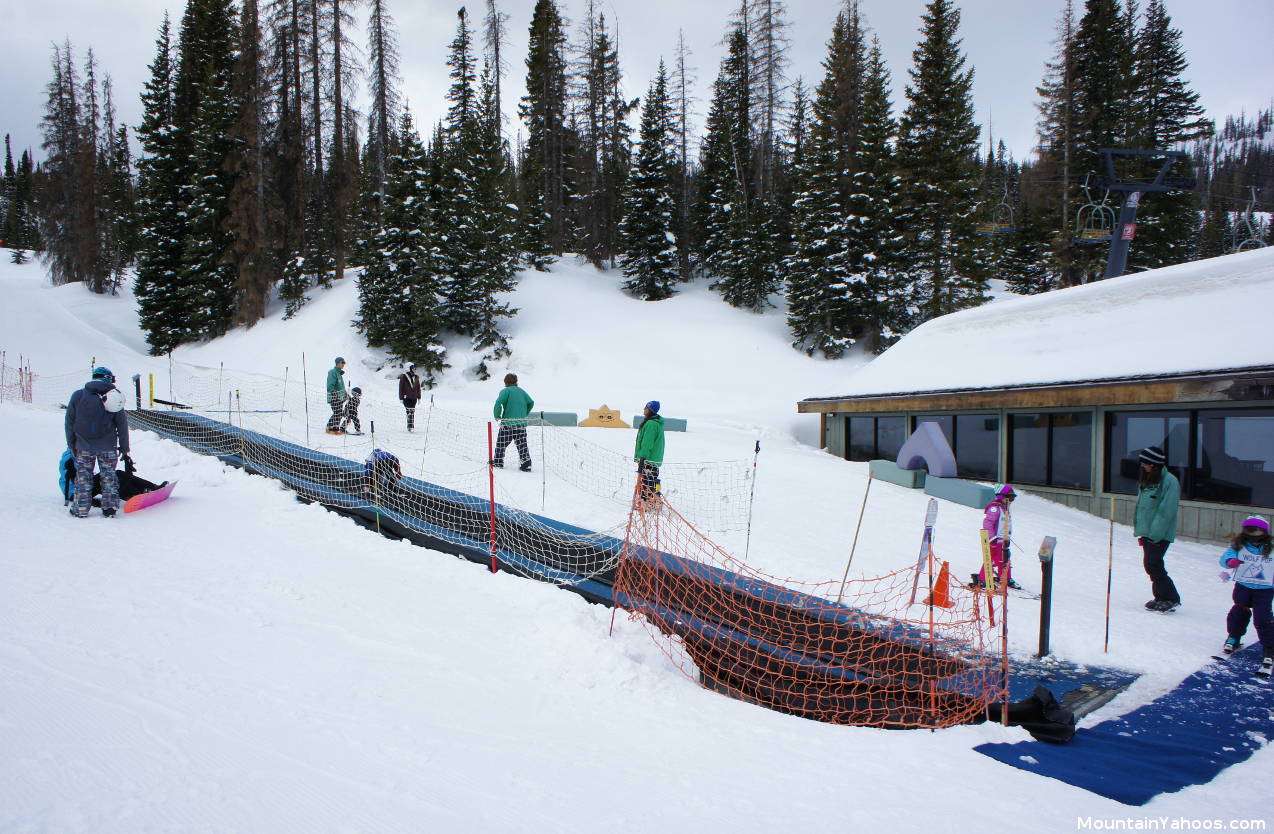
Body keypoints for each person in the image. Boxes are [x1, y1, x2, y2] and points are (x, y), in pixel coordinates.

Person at [65, 365, 130, 518]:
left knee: (84, 477)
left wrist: (71, 444)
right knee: (109, 476)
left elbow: (69, 422)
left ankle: (81, 508)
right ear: (109, 378)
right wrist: (125, 447)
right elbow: (122, 424)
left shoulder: (78, 396)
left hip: (83, 446)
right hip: (108, 446)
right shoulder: (114, 396)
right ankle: (109, 508)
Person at [1218, 516, 1274, 675]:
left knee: (1263, 618)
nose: (1255, 533)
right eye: (1251, 530)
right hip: (1243, 585)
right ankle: (1233, 637)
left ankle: (1269, 647)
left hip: (1265, 589)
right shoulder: (1238, 545)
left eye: (1258, 530)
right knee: (1239, 612)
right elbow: (1225, 559)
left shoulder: (1271, 546)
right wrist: (1230, 562)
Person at [1134, 445, 1182, 612]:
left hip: (1159, 533)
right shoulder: (1147, 479)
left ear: (1153, 464)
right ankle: (1160, 597)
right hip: (1148, 532)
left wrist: (1156, 534)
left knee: (1154, 563)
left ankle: (1171, 598)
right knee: (1150, 564)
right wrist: (1143, 532)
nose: (1142, 465)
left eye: (1145, 463)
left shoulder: (1169, 481)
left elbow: (1166, 511)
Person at [60, 449, 163, 507]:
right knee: (110, 478)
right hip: (75, 492)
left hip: (84, 486)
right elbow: (69, 479)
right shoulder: (70, 458)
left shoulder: (79, 452)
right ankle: (135, 494)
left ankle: (151, 487)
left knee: (116, 473)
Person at [971, 484, 1019, 590]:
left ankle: (1005, 577)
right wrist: (992, 538)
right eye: (1010, 497)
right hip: (996, 540)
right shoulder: (994, 508)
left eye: (1013, 497)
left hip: (1004, 539)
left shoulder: (1004, 508)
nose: (1011, 500)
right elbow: (988, 524)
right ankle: (982, 579)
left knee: (1005, 559)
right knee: (992, 559)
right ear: (1002, 496)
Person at [491, 373, 534, 472]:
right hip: (521, 424)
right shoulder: (522, 391)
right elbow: (531, 402)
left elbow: (498, 403)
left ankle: (498, 462)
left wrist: (497, 415)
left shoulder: (505, 391)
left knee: (501, 443)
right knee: (522, 444)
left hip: (508, 424)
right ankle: (526, 464)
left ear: (505, 382)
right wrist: (524, 414)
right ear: (516, 381)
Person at [634, 400, 665, 503]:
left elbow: (647, 443)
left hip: (648, 459)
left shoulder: (651, 424)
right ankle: (655, 499)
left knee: (647, 481)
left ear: (650, 410)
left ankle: (647, 502)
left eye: (646, 408)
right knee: (653, 480)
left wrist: (642, 457)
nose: (644, 409)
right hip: (653, 459)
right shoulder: (655, 423)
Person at [326, 357, 347, 434]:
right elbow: (330, 385)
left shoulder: (339, 374)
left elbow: (340, 387)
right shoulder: (333, 372)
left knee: (339, 413)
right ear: (338, 363)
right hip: (334, 396)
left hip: (340, 397)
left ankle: (332, 428)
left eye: (344, 363)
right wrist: (333, 393)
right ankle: (332, 428)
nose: (343, 364)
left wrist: (345, 394)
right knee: (337, 412)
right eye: (342, 362)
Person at [399, 363, 422, 432]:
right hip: (406, 397)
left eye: (415, 368)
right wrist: (401, 397)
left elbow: (418, 387)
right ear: (408, 368)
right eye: (413, 368)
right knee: (409, 411)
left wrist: (419, 397)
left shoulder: (416, 377)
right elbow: (401, 388)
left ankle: (411, 425)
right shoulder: (404, 377)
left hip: (414, 397)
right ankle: (410, 426)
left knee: (412, 411)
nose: (414, 369)